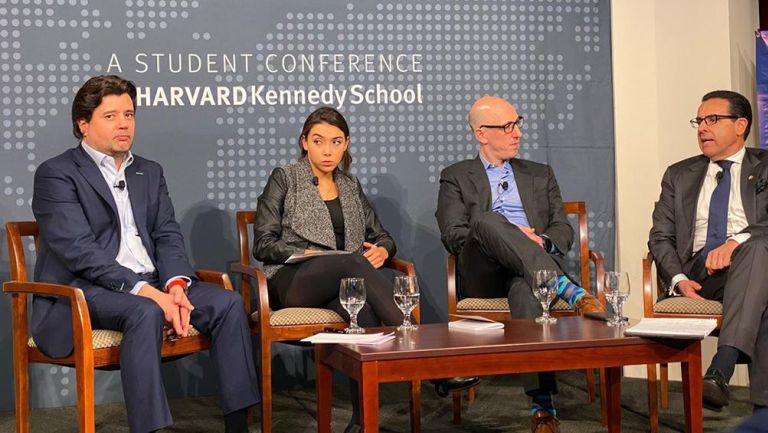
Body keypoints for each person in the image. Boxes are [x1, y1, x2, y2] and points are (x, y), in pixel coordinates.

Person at [31, 75, 260, 433]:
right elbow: (80, 252)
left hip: (152, 283)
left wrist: (175, 286)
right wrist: (150, 293)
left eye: (129, 114)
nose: (124, 124)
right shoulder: (57, 174)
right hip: (83, 290)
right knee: (145, 309)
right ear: (83, 124)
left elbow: (167, 234)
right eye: (110, 116)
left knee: (228, 304)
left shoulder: (148, 171)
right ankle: (149, 428)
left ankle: (239, 426)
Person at [435, 95, 605, 433]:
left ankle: (542, 407)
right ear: (482, 133)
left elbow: (562, 229)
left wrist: (538, 241)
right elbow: (454, 235)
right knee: (488, 220)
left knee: (529, 289)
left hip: (529, 269)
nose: (517, 133)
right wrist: (509, 233)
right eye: (507, 126)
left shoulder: (540, 174)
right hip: (483, 270)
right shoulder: (455, 176)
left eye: (518, 123)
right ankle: (567, 289)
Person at [649, 90, 768, 412]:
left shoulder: (766, 166)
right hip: (702, 275)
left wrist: (735, 242)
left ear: (740, 125)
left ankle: (721, 370)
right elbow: (660, 236)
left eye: (712, 119)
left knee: (758, 256)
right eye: (699, 121)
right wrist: (678, 280)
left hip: (752, 264)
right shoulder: (680, 174)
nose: (702, 128)